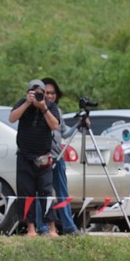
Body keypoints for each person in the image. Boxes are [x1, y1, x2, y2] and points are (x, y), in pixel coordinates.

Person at [9, 78, 62, 237]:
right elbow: (12, 118)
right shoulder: (22, 103)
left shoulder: (50, 106)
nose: (37, 95)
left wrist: (43, 107)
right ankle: (30, 228)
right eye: (34, 92)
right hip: (25, 156)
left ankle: (52, 228)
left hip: (44, 157)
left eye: (40, 92)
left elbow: (54, 125)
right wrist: (27, 103)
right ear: (28, 92)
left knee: (46, 193)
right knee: (26, 193)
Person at [41, 78, 80, 236]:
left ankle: (69, 227)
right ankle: (43, 227)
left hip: (58, 156)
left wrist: (79, 124)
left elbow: (64, 132)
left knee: (62, 192)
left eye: (52, 93)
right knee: (44, 194)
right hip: (43, 157)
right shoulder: (38, 110)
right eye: (46, 93)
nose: (49, 96)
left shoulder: (57, 110)